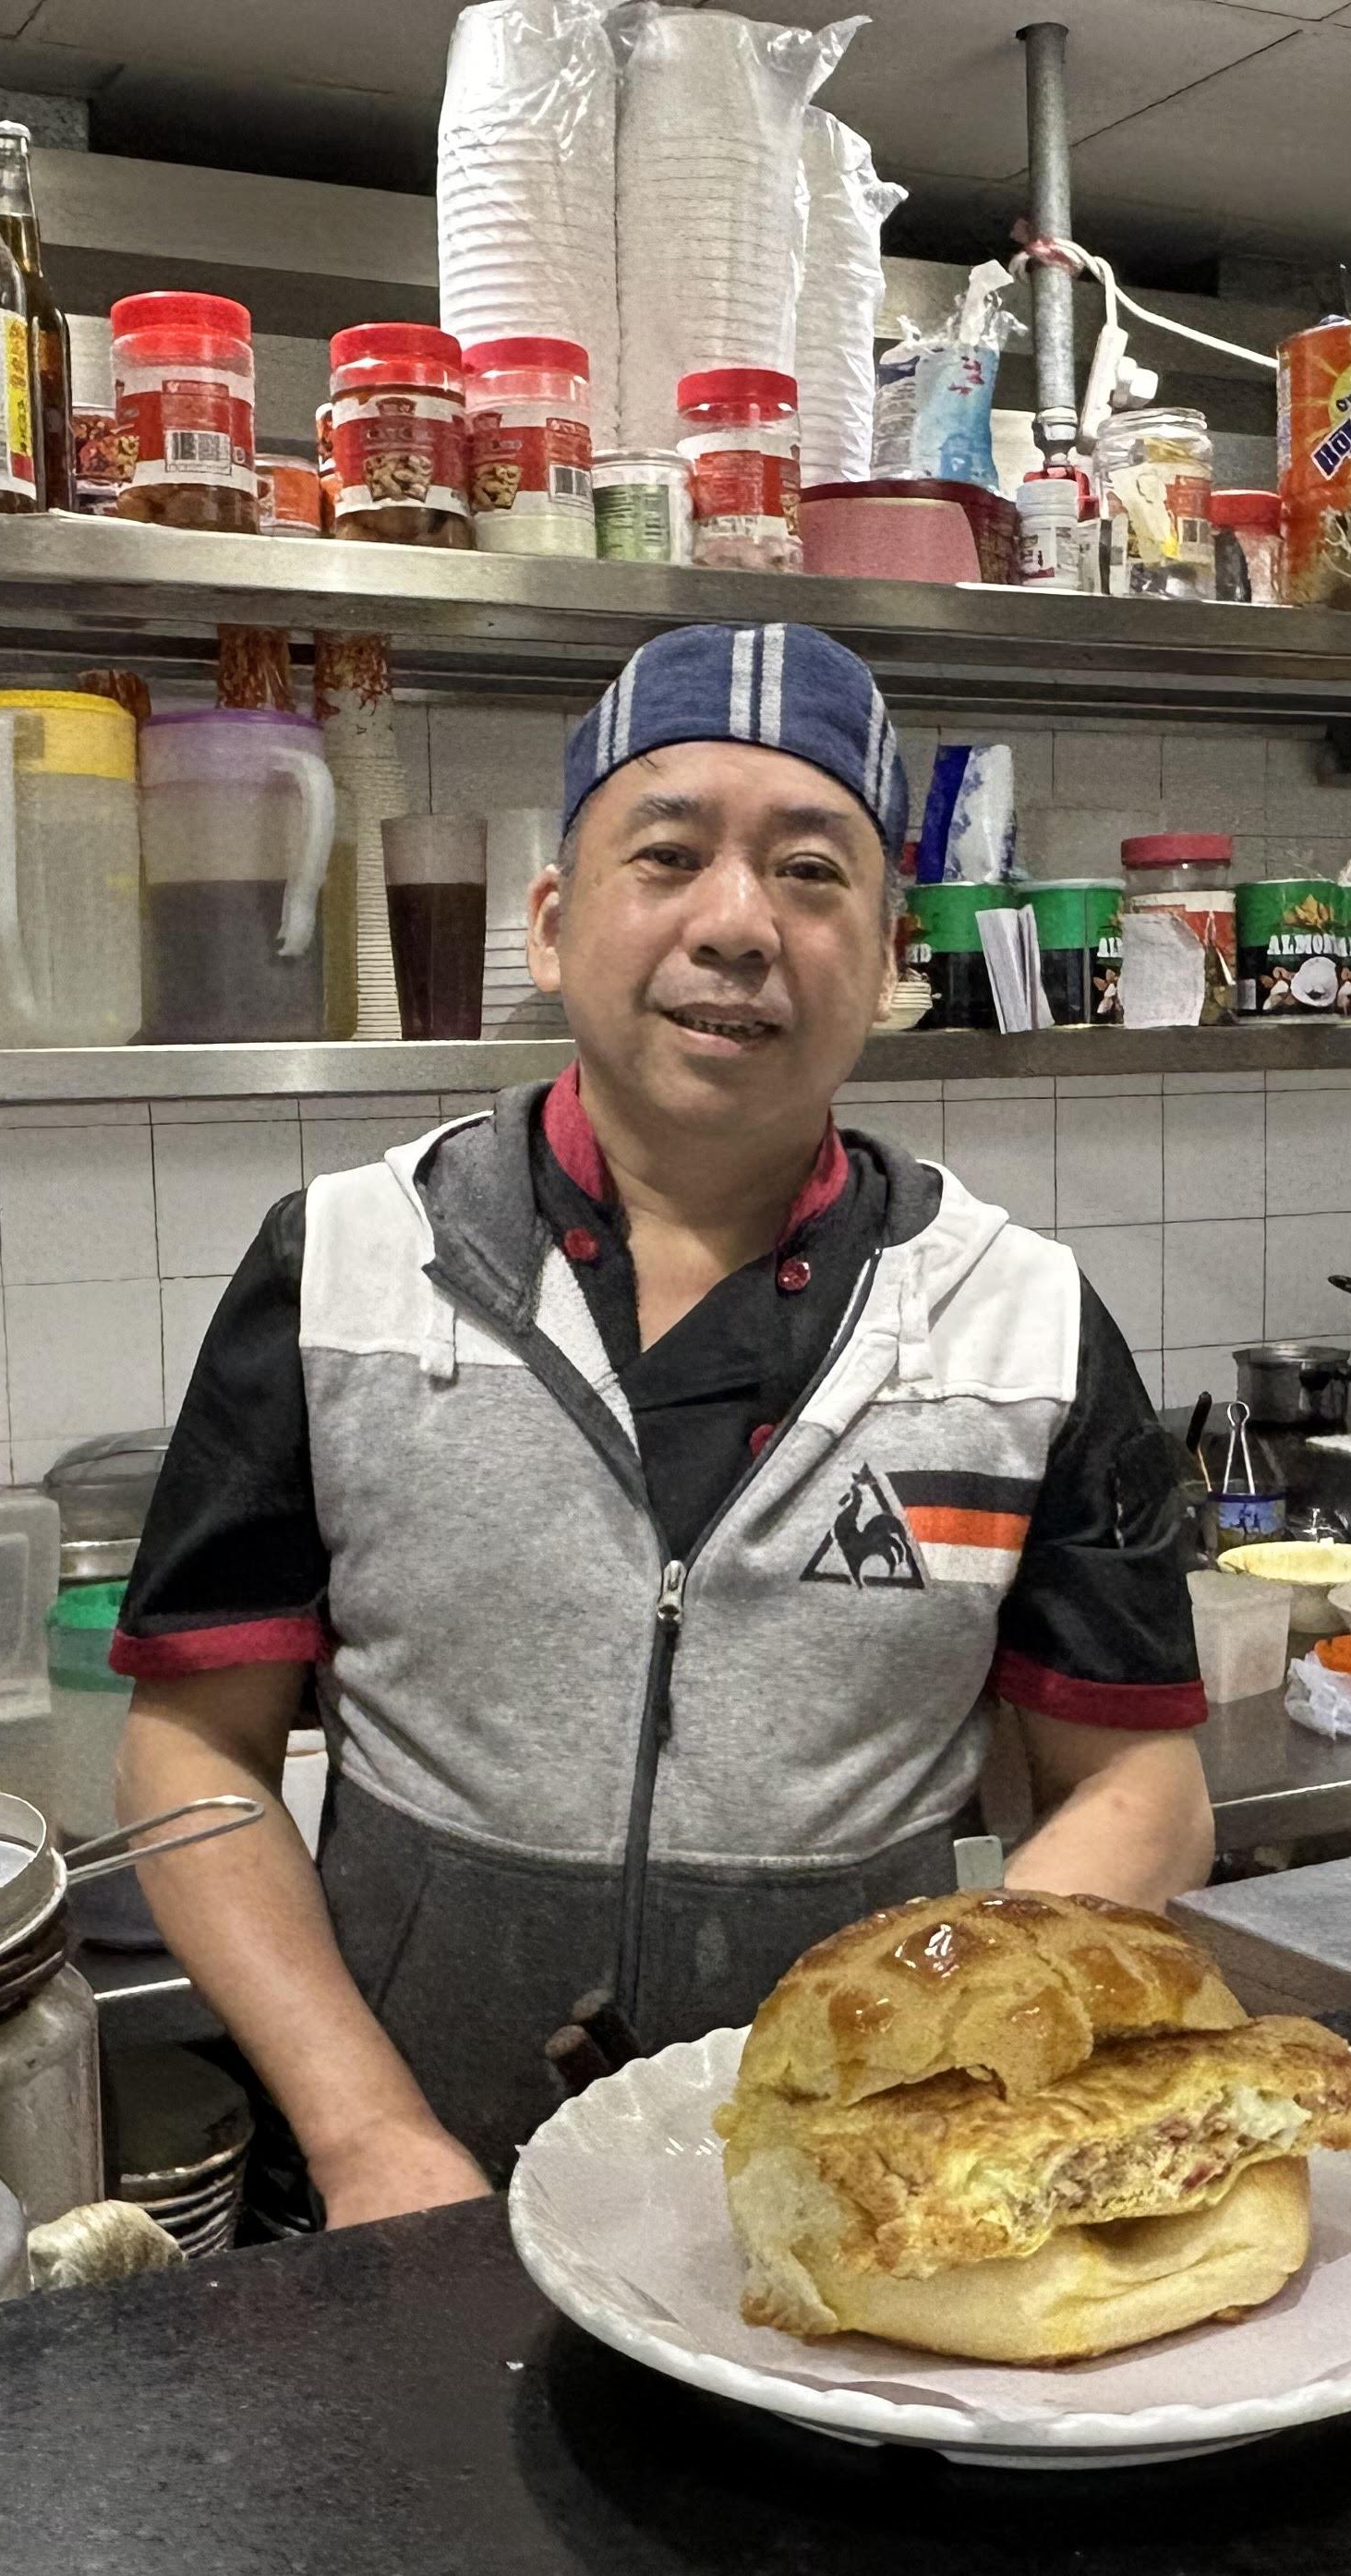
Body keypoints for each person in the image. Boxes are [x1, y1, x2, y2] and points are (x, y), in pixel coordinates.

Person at [111, 623, 1212, 2225]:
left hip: (863, 2197)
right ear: (552, 927)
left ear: (895, 955)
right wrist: (364, 2139)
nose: (740, 925)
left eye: (815, 874)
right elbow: (192, 1745)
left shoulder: (1014, 1318)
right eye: (672, 855)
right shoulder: (346, 1265)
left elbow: (1142, 1786)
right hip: (416, 2186)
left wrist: (933, 2019)